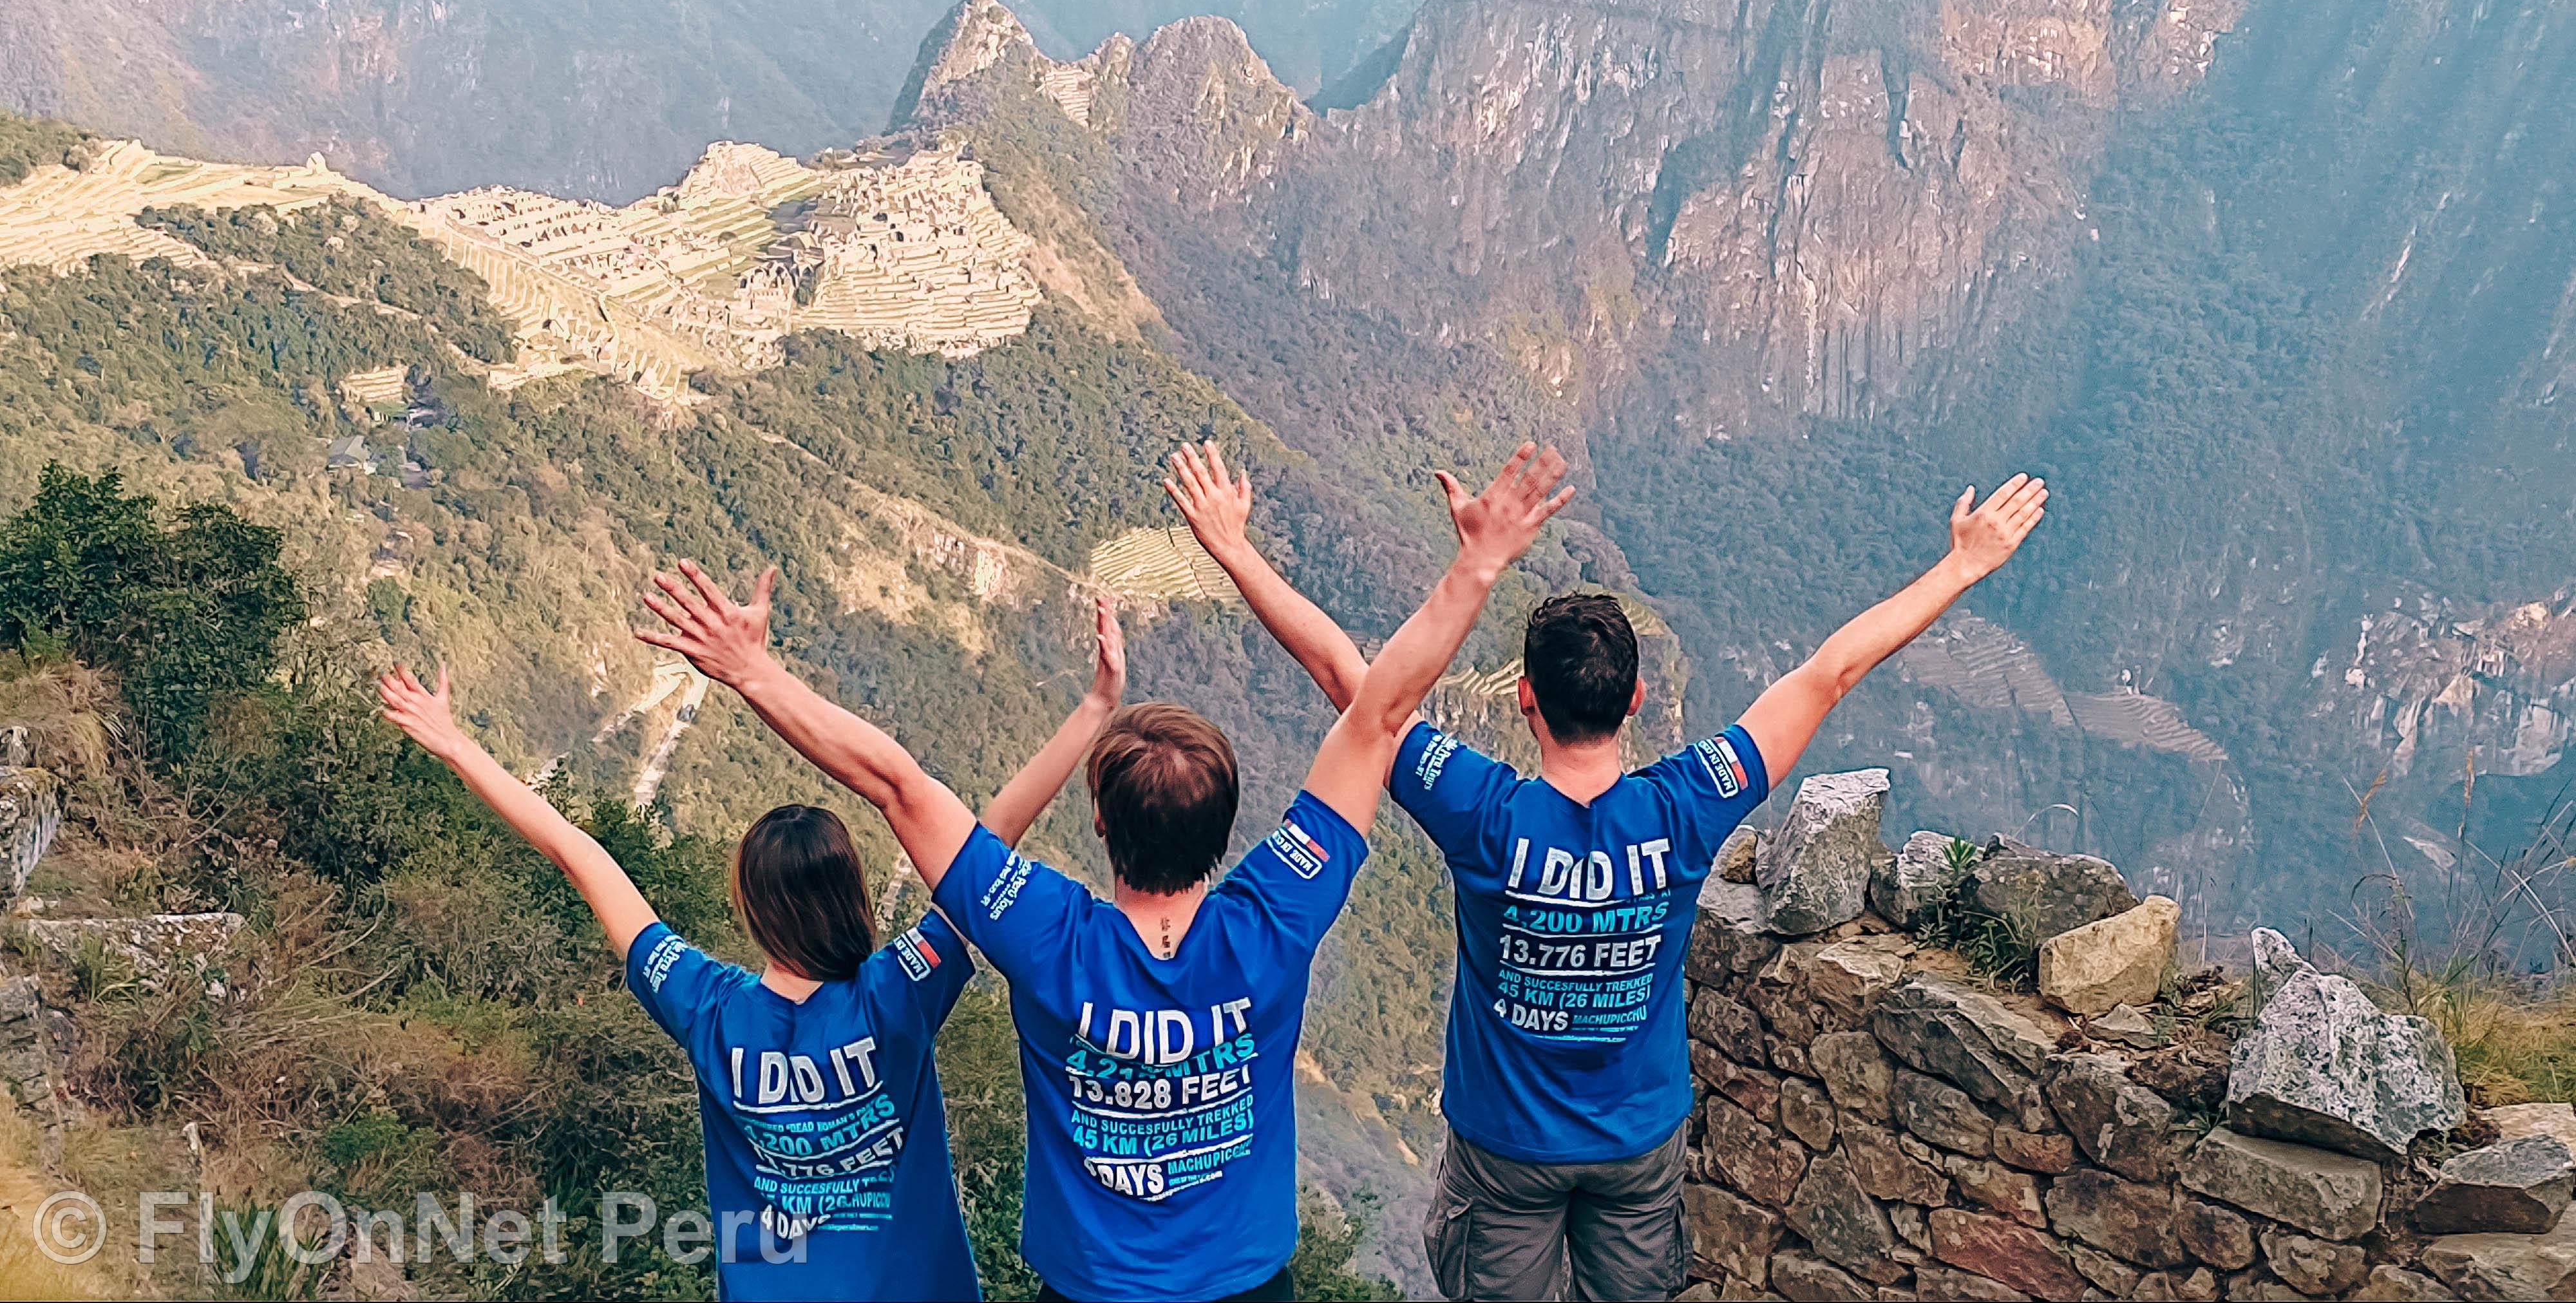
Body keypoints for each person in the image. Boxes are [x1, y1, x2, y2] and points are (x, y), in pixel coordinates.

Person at [638, 446, 1576, 1303]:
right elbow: (1378, 710)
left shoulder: (1044, 930)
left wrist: (753, 671)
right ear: (1224, 827)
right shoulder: (1276, 913)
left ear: (1099, 820)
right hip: (1244, 1285)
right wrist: (1475, 565)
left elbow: (893, 781)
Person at [1166, 441, 2050, 1301]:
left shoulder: (1481, 813)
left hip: (1505, 1148)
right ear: (1635, 698)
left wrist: (1237, 549)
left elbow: (1354, 685)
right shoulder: (1688, 804)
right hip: (1637, 1141)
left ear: (1524, 696)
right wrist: (1961, 565)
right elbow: (1831, 672)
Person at [377, 594, 1130, 1301]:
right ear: (855, 896)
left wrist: (455, 745)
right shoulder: (903, 988)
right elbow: (984, 846)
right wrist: (1093, 709)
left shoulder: (706, 1007)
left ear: (749, 906)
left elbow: (580, 856)